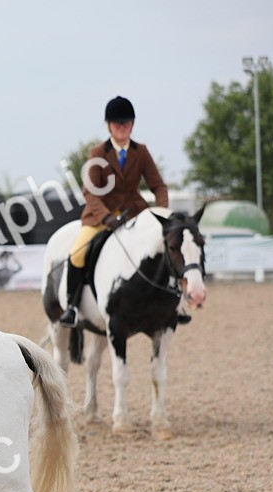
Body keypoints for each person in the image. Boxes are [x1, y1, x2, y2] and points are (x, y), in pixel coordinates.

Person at [59, 96, 169, 327]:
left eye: (126, 123)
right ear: (108, 125)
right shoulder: (97, 153)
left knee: (163, 249)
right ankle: (72, 307)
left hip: (134, 215)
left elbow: (158, 185)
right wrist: (106, 217)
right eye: (118, 123)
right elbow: (90, 192)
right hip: (101, 218)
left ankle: (172, 304)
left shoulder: (141, 152)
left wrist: (161, 212)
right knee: (77, 254)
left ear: (132, 124)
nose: (122, 127)